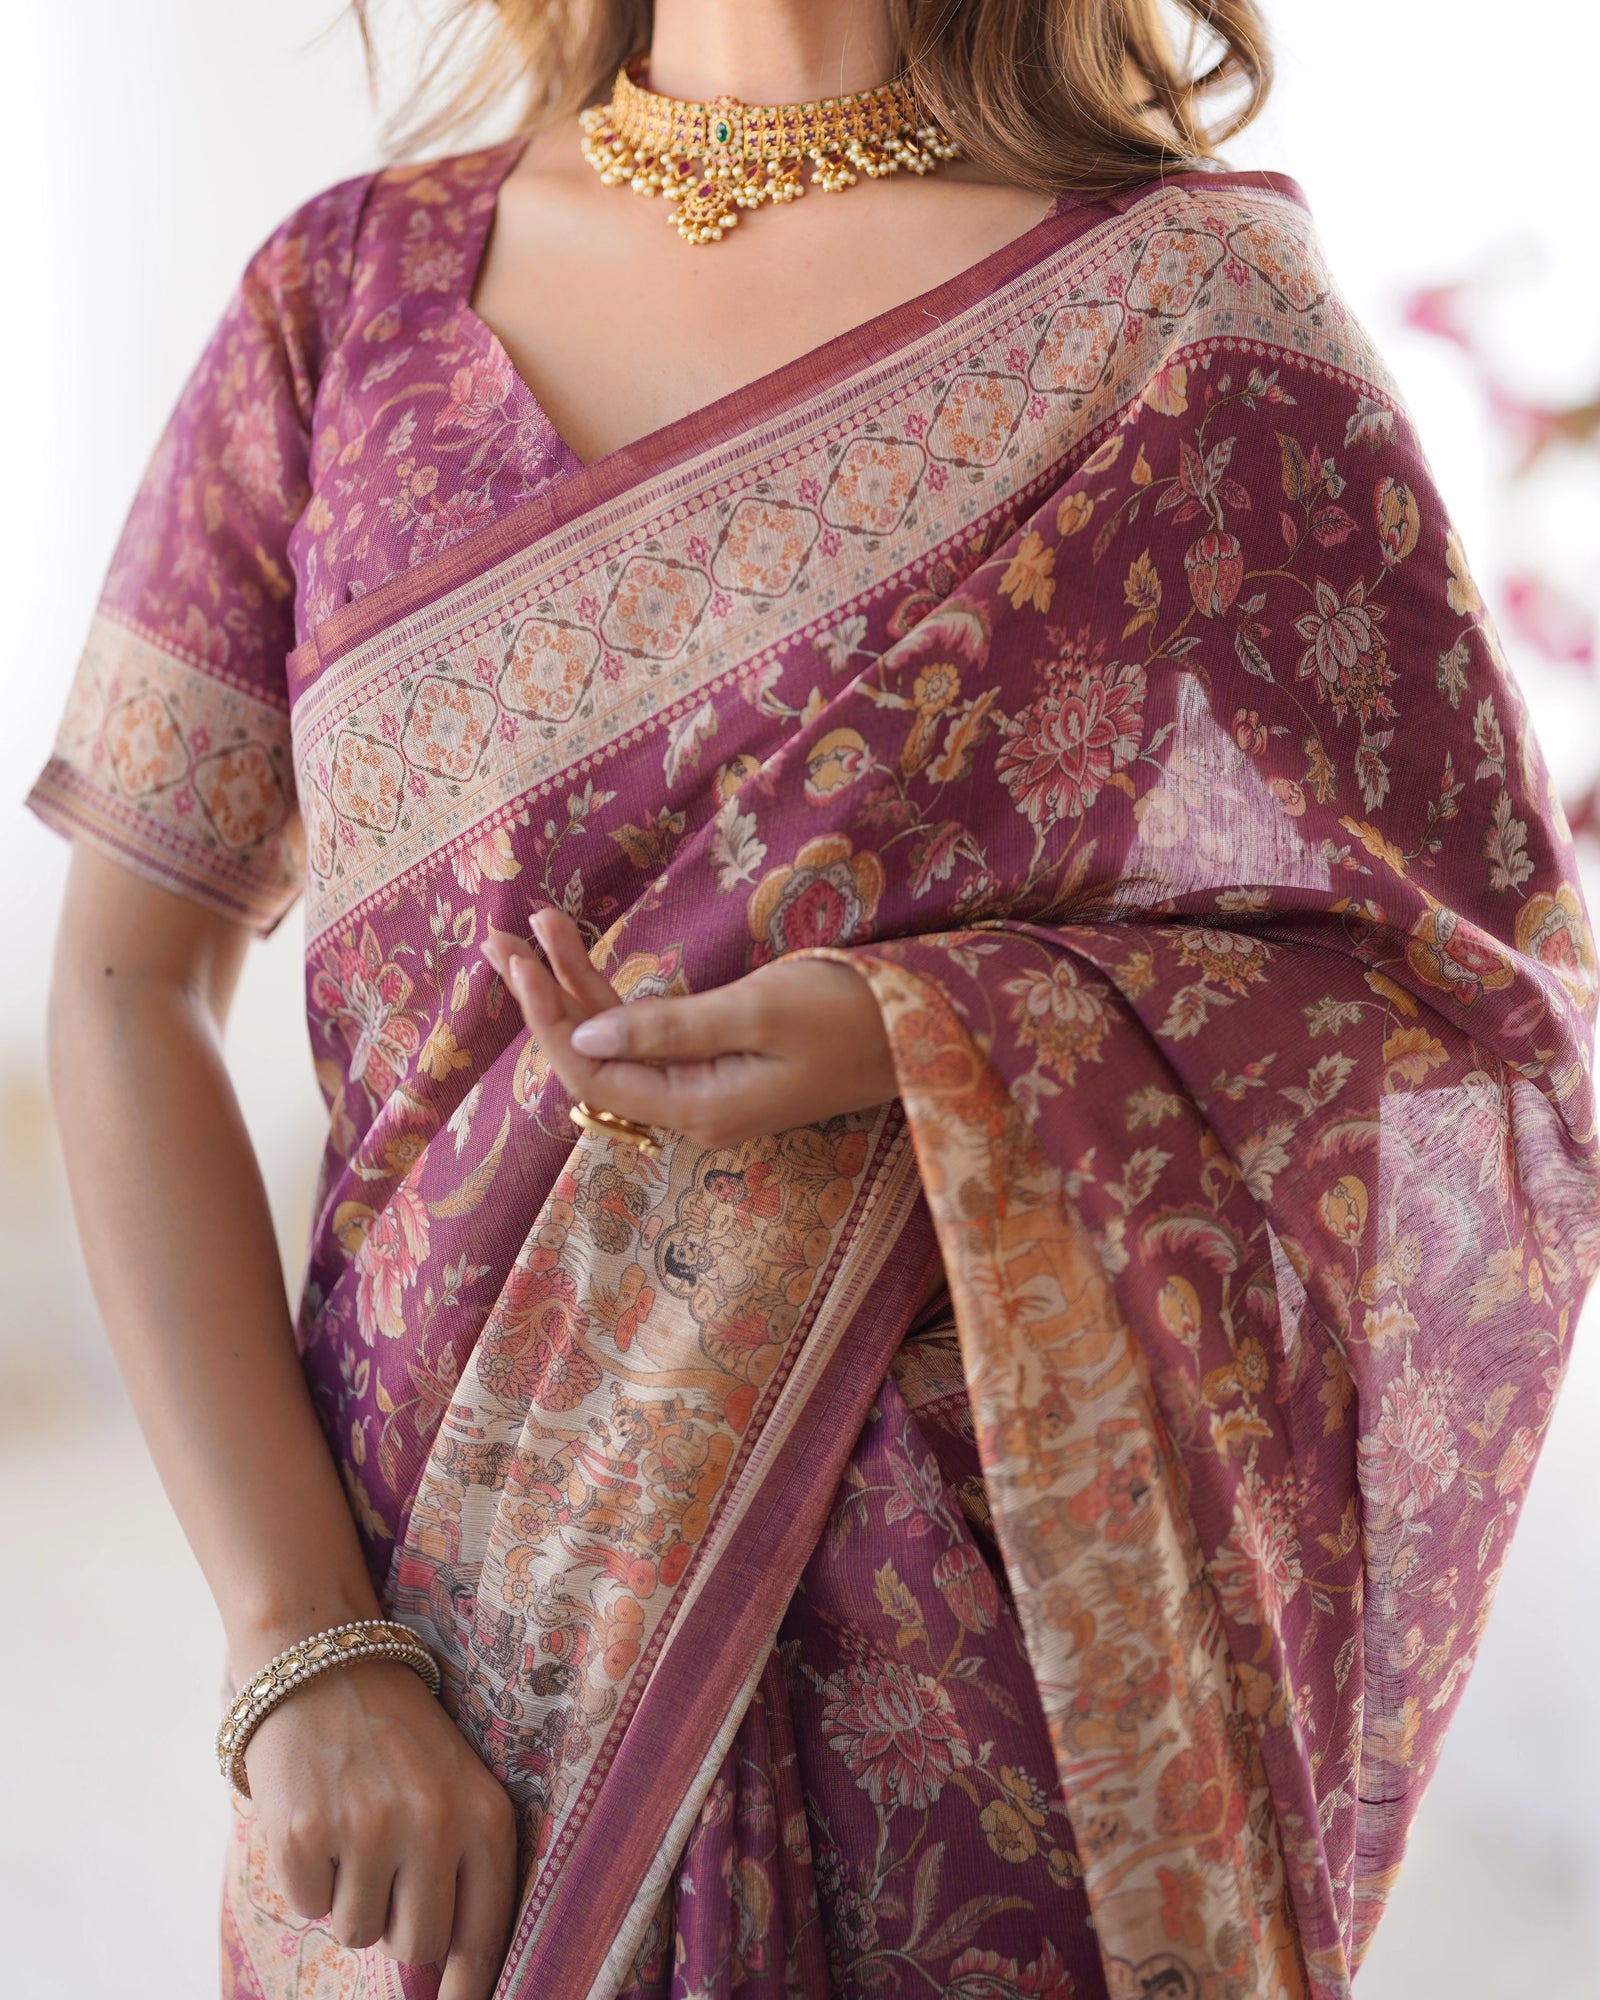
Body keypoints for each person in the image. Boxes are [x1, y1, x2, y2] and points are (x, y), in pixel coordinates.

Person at [27, 1, 1599, 1996]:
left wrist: (920, 1037)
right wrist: (299, 1641)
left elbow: (1471, 1013)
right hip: (428, 1655)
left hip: (962, 1713)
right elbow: (125, 981)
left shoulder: (1194, 323)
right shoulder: (344, 302)